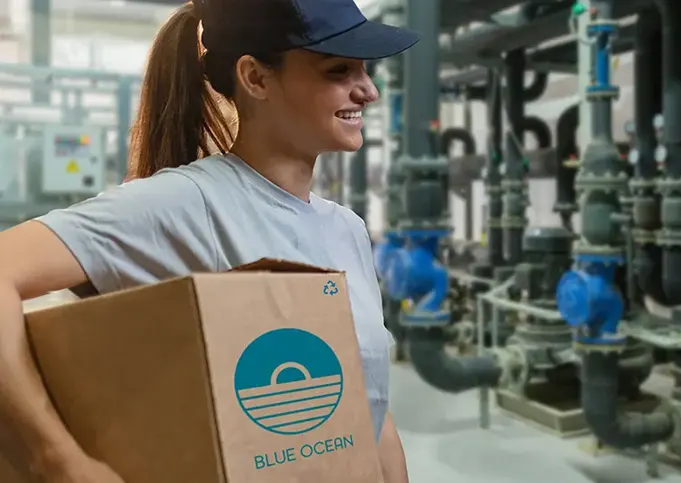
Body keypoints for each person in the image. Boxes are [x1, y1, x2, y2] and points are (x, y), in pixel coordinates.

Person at [0, 0, 419, 481]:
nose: (367, 91)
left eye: (365, 71)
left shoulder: (346, 228)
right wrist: (54, 459)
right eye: (339, 70)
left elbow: (369, 404)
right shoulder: (190, 203)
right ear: (256, 78)